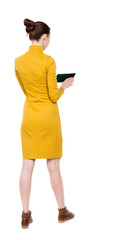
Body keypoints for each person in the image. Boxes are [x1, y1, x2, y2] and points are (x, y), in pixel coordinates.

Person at [14, 18, 75, 229]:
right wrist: (64, 85)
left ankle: (24, 215)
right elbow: (53, 96)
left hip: (30, 117)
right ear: (45, 37)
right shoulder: (48, 61)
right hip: (48, 118)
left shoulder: (18, 61)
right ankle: (62, 211)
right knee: (53, 166)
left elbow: (26, 90)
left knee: (27, 166)